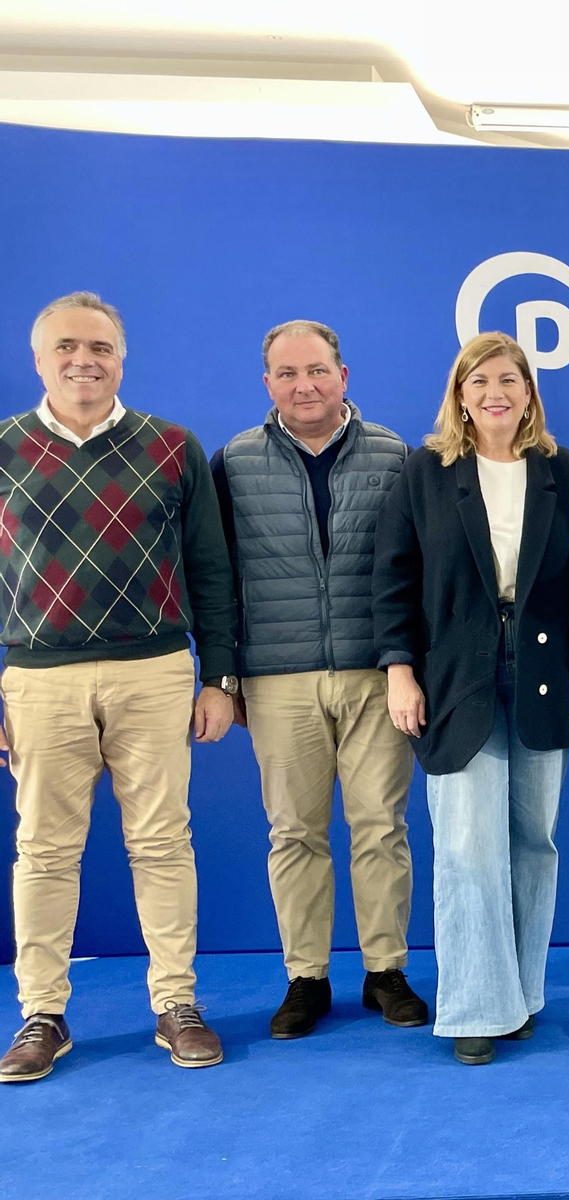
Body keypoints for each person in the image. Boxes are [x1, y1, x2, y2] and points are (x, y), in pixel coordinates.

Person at [0, 292, 235, 1082]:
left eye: (99, 347)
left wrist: (221, 677)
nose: (83, 360)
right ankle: (43, 1014)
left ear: (121, 360)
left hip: (155, 672)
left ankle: (176, 1002)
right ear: (39, 359)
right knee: (43, 852)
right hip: (37, 681)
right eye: (65, 346)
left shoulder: (171, 448)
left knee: (163, 843)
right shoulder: (2, 451)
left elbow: (210, 570)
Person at [373, 332, 569, 1065]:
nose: (494, 392)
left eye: (508, 379)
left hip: (546, 676)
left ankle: (521, 997)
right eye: (479, 381)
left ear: (529, 393)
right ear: (460, 395)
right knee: (468, 847)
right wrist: (398, 670)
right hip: (454, 679)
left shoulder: (561, 471)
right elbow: (393, 578)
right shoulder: (425, 472)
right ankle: (477, 1006)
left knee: (531, 844)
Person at [212, 319, 425, 1040]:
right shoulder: (235, 462)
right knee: (294, 833)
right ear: (267, 382)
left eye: (318, 370)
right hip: (277, 678)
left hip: (376, 673)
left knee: (380, 826)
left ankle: (384, 971)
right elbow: (218, 578)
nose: (304, 385)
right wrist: (228, 675)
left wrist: (410, 664)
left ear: (344, 374)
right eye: (287, 372)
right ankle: (306, 977)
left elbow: (415, 569)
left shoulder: (395, 454)